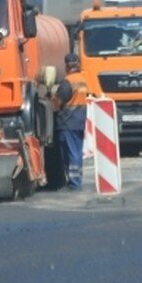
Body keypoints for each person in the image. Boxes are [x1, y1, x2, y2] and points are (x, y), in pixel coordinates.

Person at [52, 53, 90, 190]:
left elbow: (58, 102)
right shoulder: (82, 80)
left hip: (68, 121)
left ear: (66, 66)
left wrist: (51, 97)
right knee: (77, 152)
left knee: (71, 152)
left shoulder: (67, 82)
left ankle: (74, 183)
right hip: (79, 121)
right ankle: (77, 179)